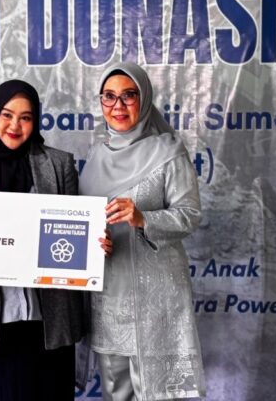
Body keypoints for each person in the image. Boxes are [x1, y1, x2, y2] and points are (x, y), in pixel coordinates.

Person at [81, 63, 206, 401]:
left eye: (129, 95)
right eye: (109, 97)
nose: (118, 106)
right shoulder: (95, 156)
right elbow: (86, 222)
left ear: (144, 99)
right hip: (110, 295)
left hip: (158, 299)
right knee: (116, 390)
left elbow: (190, 215)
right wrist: (94, 244)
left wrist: (143, 218)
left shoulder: (169, 152)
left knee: (163, 393)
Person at [0, 79, 87, 401]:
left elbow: (76, 235)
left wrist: (96, 244)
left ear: (36, 120)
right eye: (7, 115)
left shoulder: (59, 164)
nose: (15, 126)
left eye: (25, 117)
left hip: (49, 316)